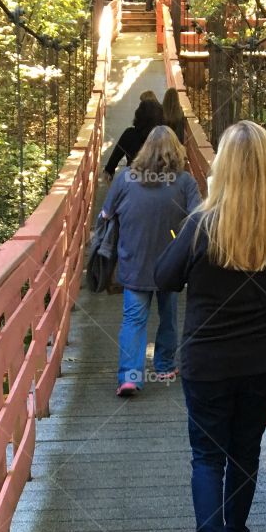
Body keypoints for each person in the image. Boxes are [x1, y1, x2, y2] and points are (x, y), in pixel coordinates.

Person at [154, 121, 266, 532]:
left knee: (207, 454)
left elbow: (163, 278)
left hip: (207, 362)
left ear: (223, 168)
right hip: (261, 362)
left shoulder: (200, 225)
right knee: (245, 451)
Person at [102, 126, 201, 396]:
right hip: (171, 263)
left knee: (133, 319)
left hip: (134, 262)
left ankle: (130, 377)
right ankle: (164, 365)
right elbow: (198, 220)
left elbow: (105, 214)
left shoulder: (125, 178)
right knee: (168, 315)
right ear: (176, 151)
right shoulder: (185, 182)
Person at [102, 96, 163, 179]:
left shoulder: (129, 134)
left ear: (138, 115)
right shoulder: (165, 136)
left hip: (132, 180)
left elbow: (109, 168)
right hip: (160, 183)